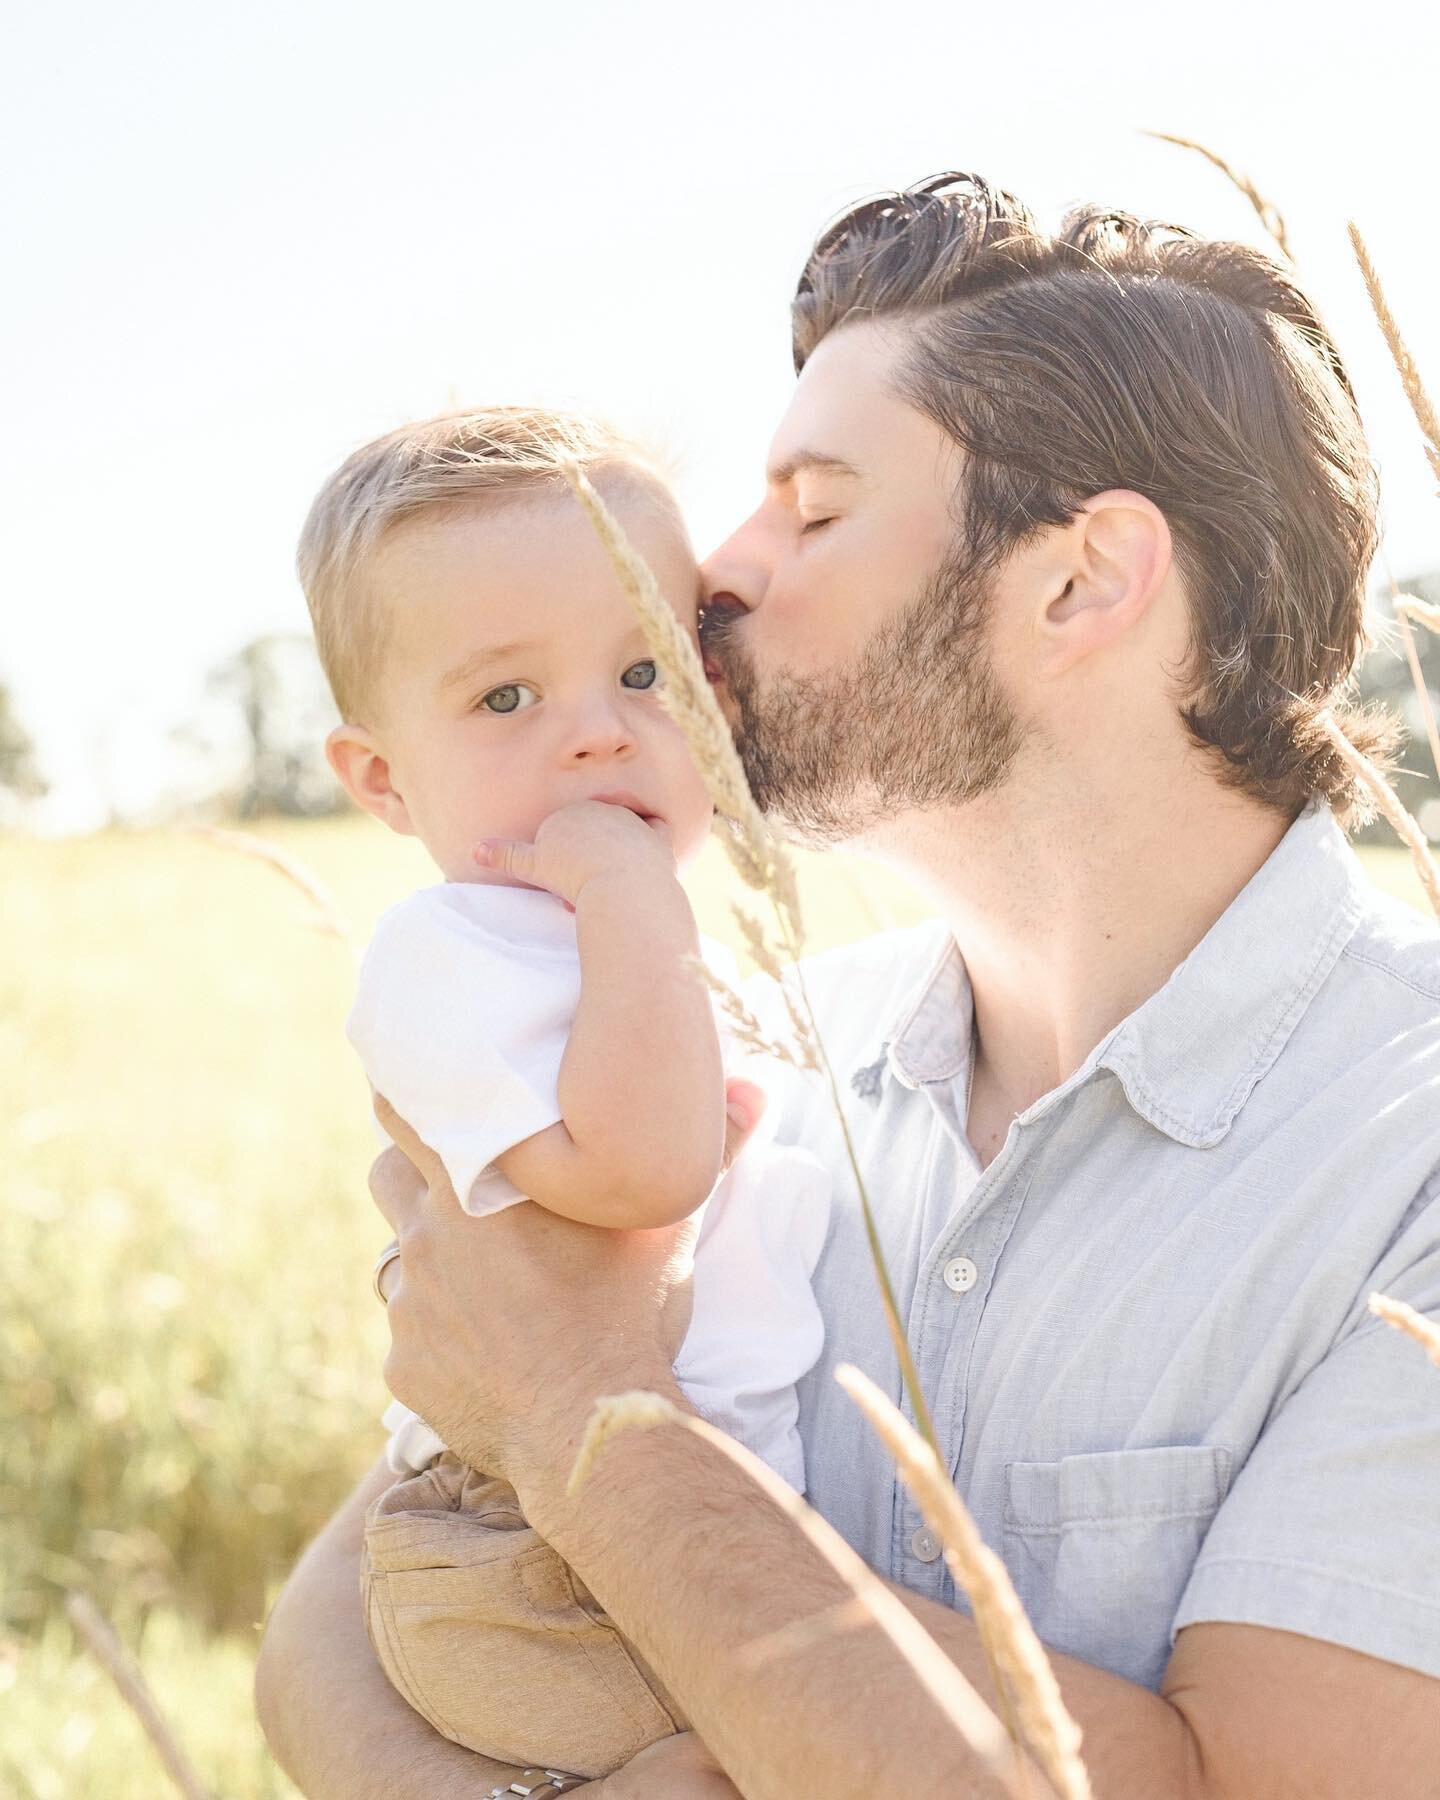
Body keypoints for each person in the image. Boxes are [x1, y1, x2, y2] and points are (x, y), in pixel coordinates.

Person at [256, 174, 1440, 1798]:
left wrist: (585, 1408)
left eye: (811, 507)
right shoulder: (744, 1032)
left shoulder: (1412, 1152)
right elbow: (350, 1602)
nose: (715, 577)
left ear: (1081, 582)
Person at [301, 407, 830, 1778]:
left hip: (662, 1525)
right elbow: (644, 1171)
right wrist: (631, 899)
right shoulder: (453, 956)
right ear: (381, 780)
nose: (599, 736)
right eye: (506, 699)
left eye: (647, 669)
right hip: (527, 1565)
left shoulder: (630, 945)